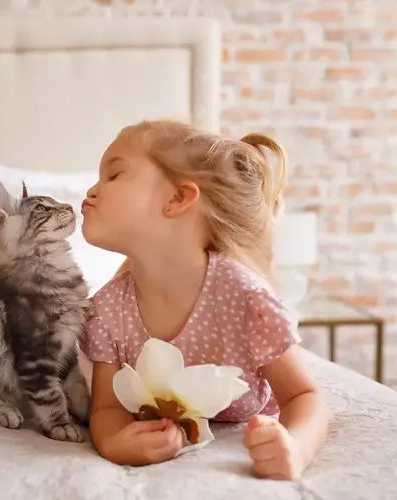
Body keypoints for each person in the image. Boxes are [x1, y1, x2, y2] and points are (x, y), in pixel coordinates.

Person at [78, 119, 329, 480]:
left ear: (178, 198)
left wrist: (296, 447)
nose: (92, 190)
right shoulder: (106, 309)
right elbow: (106, 409)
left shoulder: (244, 297)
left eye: (114, 176)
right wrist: (116, 441)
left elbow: (304, 396)